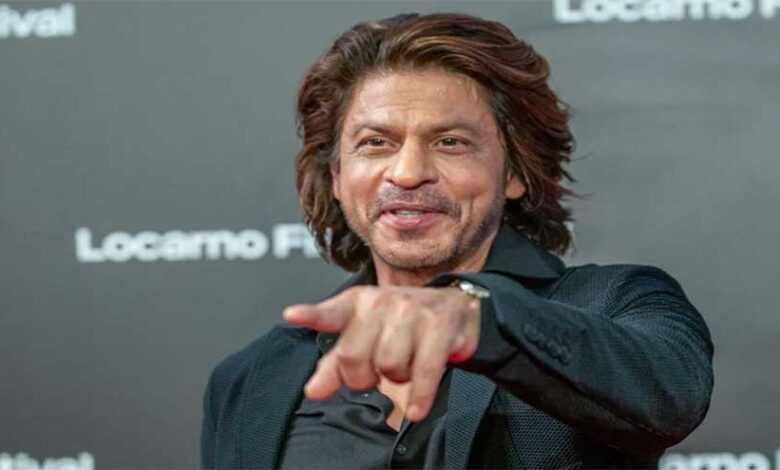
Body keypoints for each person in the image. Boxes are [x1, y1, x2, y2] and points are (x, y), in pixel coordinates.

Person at [200, 12, 714, 469]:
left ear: (515, 173)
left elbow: (672, 397)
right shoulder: (251, 378)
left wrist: (476, 318)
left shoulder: (619, 303)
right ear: (336, 176)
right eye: (375, 143)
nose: (407, 173)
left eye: (450, 142)